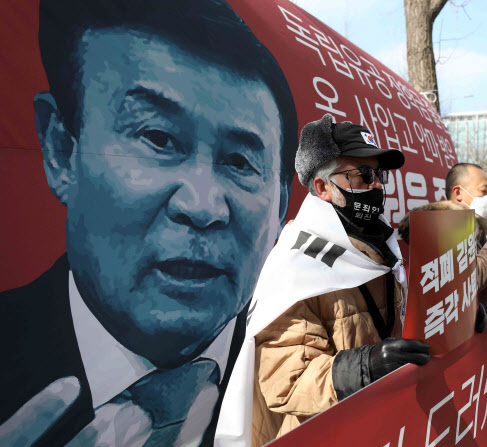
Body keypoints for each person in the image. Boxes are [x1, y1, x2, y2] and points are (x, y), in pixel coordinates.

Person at [0, 1, 298, 446]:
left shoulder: (298, 359)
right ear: (62, 150)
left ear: (279, 210)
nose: (202, 206)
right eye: (158, 138)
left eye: (239, 162)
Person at [247, 114, 470, 446]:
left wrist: (455, 316)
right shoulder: (294, 266)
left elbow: (401, 326)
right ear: (322, 187)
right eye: (363, 175)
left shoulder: (383, 248)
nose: (377, 185)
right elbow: (287, 381)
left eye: (378, 174)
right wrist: (368, 365)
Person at [397, 163, 487, 314]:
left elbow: (484, 286)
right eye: (483, 191)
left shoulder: (473, 227)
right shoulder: (440, 230)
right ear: (459, 193)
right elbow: (466, 282)